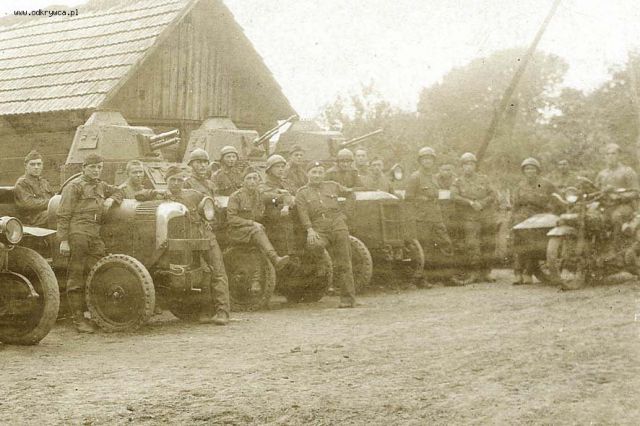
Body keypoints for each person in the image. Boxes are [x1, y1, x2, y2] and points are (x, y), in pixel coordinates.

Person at [138, 165, 230, 324]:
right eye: (172, 180)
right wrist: (156, 192)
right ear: (166, 180)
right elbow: (139, 195)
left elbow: (210, 206)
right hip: (180, 242)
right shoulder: (160, 196)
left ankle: (223, 312)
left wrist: (209, 222)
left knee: (217, 271)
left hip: (203, 237)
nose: (176, 183)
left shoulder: (193, 194)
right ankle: (205, 311)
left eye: (179, 180)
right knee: (195, 274)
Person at [57, 154, 123, 333]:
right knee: (76, 275)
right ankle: (78, 319)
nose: (96, 170)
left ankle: (96, 314)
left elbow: (120, 191)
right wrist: (64, 240)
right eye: (92, 167)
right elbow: (63, 214)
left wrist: (112, 199)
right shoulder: (74, 186)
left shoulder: (101, 185)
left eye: (99, 167)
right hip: (78, 233)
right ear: (84, 168)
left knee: (99, 272)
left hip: (94, 235)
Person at [296, 161, 357, 308]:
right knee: (313, 244)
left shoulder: (332, 185)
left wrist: (345, 215)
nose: (317, 175)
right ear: (308, 174)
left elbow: (351, 194)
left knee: (344, 262)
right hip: (319, 227)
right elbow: (303, 213)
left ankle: (348, 299)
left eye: (320, 172)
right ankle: (323, 264)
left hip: (337, 224)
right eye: (314, 172)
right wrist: (309, 229)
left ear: (323, 174)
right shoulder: (302, 192)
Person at [226, 166, 291, 271]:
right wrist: (252, 223)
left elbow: (280, 198)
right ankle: (274, 258)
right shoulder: (236, 197)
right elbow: (231, 218)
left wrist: (286, 206)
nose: (252, 181)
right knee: (257, 230)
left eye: (255, 178)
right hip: (237, 231)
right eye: (249, 178)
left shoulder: (261, 196)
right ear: (243, 181)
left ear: (258, 181)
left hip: (255, 230)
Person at [405, 146, 453, 286]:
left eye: (430, 159)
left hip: (436, 216)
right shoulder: (415, 177)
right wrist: (421, 200)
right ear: (420, 161)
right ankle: (421, 278)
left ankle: (446, 276)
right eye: (425, 159)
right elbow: (408, 198)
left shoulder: (434, 177)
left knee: (446, 243)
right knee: (424, 248)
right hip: (422, 218)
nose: (428, 161)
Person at [451, 152, 497, 284]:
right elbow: (454, 196)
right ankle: (474, 272)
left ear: (475, 166)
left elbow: (493, 194)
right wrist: (470, 202)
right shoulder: (458, 182)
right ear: (462, 167)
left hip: (485, 215)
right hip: (469, 217)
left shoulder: (484, 179)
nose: (468, 167)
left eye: (471, 164)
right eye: (466, 164)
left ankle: (486, 272)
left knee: (488, 243)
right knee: (472, 244)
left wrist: (482, 203)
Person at [510, 157, 557, 285]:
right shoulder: (520, 185)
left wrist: (551, 212)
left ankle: (528, 272)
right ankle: (518, 273)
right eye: (527, 169)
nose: (530, 171)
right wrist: (512, 219)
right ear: (523, 171)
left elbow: (556, 198)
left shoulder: (546, 184)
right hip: (522, 217)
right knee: (518, 243)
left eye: (532, 168)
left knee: (534, 244)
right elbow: (515, 205)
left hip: (539, 217)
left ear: (537, 170)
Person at [595, 143, 640, 248]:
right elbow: (595, 190)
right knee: (593, 218)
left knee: (616, 217)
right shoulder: (602, 174)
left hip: (625, 206)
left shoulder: (627, 171)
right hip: (606, 206)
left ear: (619, 155)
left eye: (613, 154)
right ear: (605, 157)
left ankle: (615, 247)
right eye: (608, 154)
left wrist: (619, 196)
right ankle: (597, 245)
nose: (610, 156)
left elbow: (636, 192)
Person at [259, 155, 297, 258]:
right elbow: (266, 198)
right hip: (272, 217)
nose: (281, 169)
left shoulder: (287, 182)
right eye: (277, 167)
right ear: (269, 169)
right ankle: (288, 254)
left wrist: (288, 200)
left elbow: (296, 195)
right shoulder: (263, 185)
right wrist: (283, 198)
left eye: (282, 167)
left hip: (289, 212)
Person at [14, 150, 54, 227]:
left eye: (39, 164)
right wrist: (51, 203)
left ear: (42, 165)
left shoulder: (44, 182)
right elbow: (29, 204)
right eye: (32, 164)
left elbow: (53, 197)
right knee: (59, 213)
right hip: (32, 220)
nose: (36, 167)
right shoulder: (22, 183)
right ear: (26, 166)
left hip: (45, 215)